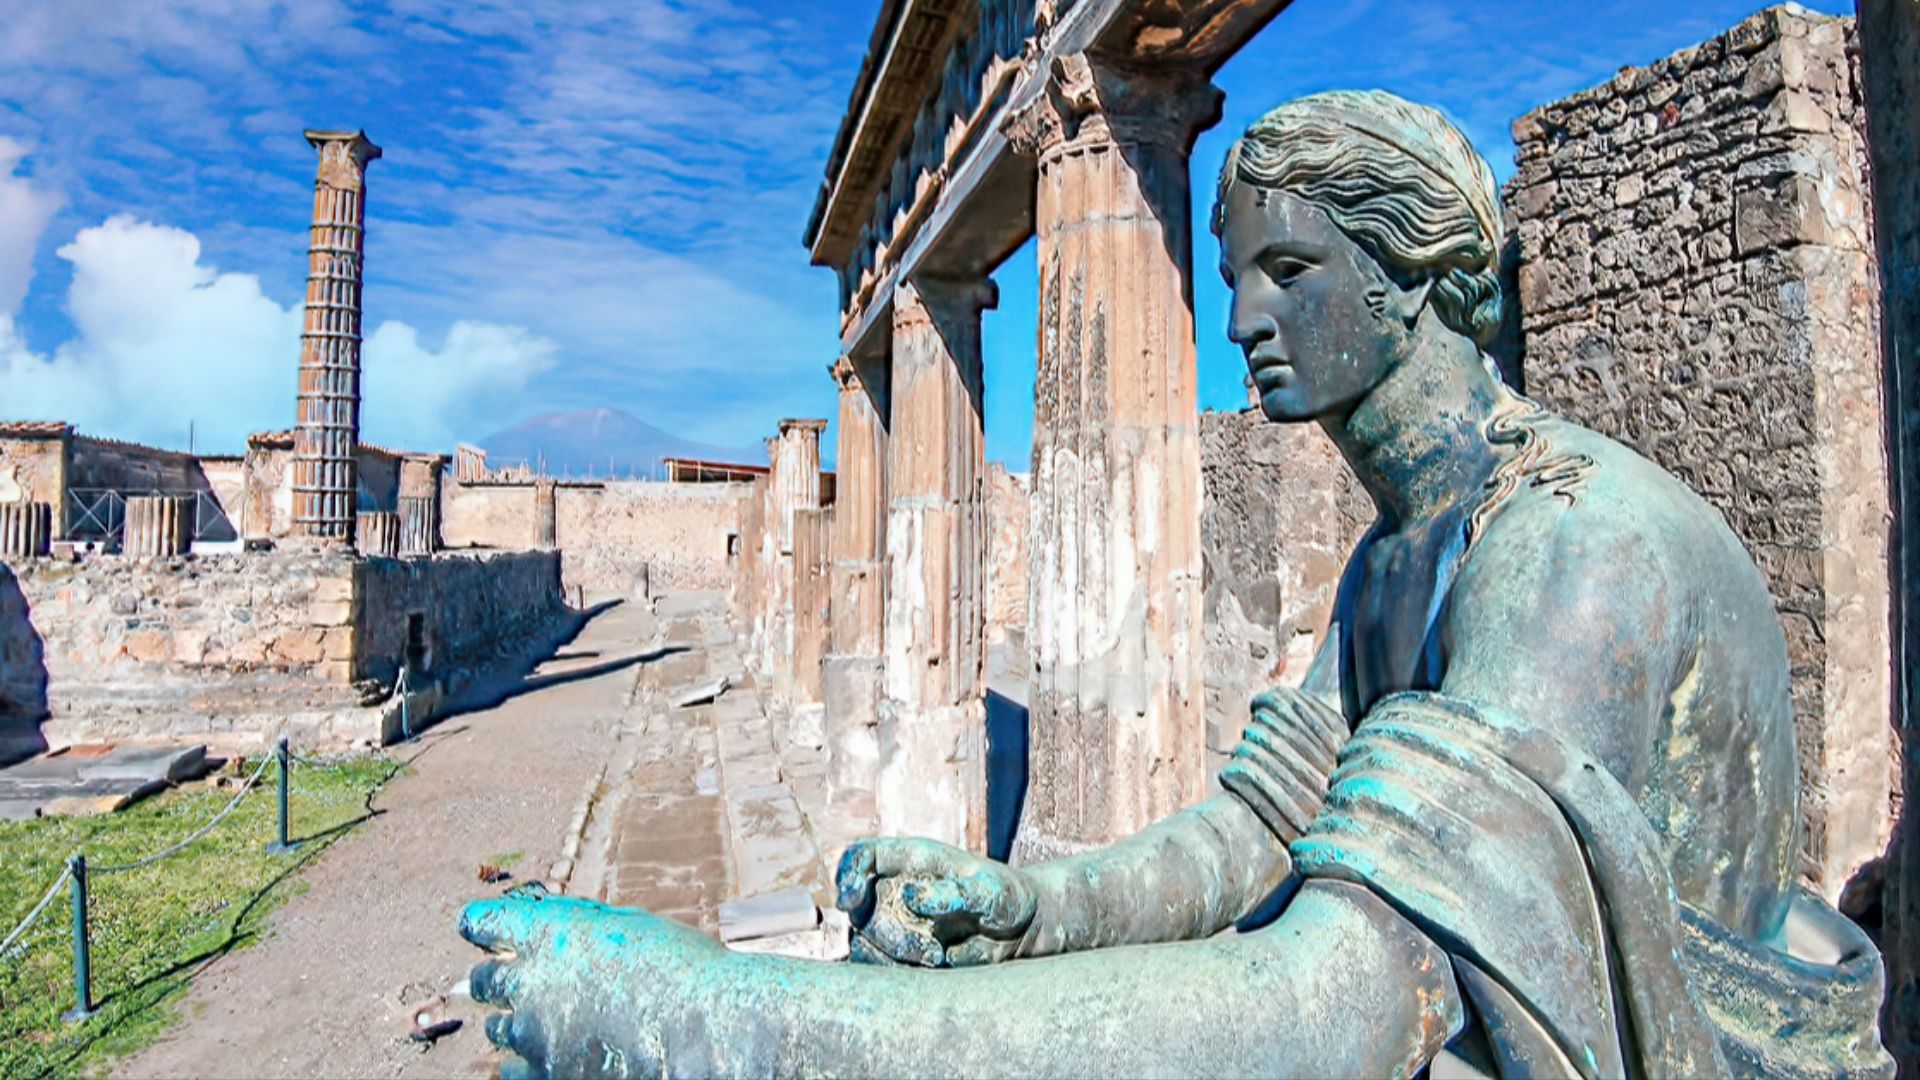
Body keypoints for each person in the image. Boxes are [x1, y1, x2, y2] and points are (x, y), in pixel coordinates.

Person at [461, 90, 1892, 1078]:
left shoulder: (1573, 550)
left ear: (1416, 276)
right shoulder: (1399, 549)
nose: (1243, 317)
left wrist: (746, 1027)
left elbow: (1343, 1007)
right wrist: (1040, 912)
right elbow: (1264, 832)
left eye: (1289, 265)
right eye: (1230, 272)